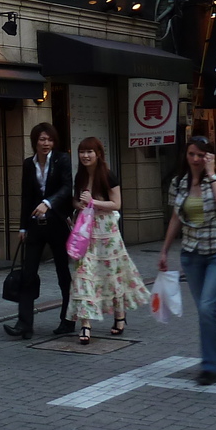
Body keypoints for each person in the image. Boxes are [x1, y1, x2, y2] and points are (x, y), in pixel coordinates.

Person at [158, 136, 216, 385]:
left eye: (201, 155)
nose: (195, 159)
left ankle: (211, 365)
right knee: (206, 311)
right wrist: (164, 251)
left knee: (206, 307)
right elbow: (176, 218)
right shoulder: (179, 182)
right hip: (191, 253)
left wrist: (211, 173)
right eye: (192, 154)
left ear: (209, 157)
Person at [68, 137, 147, 345]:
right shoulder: (80, 176)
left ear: (98, 154)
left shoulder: (108, 175)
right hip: (86, 233)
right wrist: (79, 205)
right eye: (82, 152)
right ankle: (85, 325)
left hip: (107, 232)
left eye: (89, 152)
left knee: (112, 274)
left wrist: (93, 202)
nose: (85, 155)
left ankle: (119, 315)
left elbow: (117, 203)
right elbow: (76, 200)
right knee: (83, 275)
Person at [6, 122, 73, 340]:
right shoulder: (28, 164)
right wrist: (23, 226)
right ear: (35, 141)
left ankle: (68, 319)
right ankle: (24, 324)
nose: (46, 143)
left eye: (50, 139)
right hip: (35, 227)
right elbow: (25, 196)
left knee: (63, 274)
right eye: (42, 139)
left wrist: (48, 202)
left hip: (58, 225)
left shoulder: (62, 160)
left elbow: (66, 188)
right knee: (28, 274)